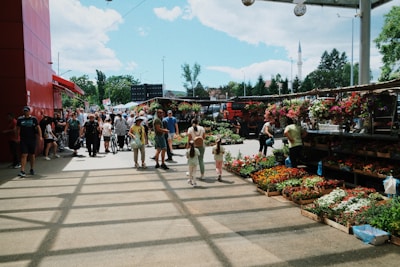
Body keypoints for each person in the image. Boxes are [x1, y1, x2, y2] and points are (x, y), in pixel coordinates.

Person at [16, 106, 42, 177]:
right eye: (24, 111)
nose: (25, 112)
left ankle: (32, 169)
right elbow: (17, 128)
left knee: (32, 154)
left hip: (32, 139)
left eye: (27, 111)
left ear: (29, 111)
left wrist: (40, 136)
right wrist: (17, 137)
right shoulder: (20, 119)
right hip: (23, 139)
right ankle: (22, 170)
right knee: (24, 154)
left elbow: (38, 128)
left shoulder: (34, 119)